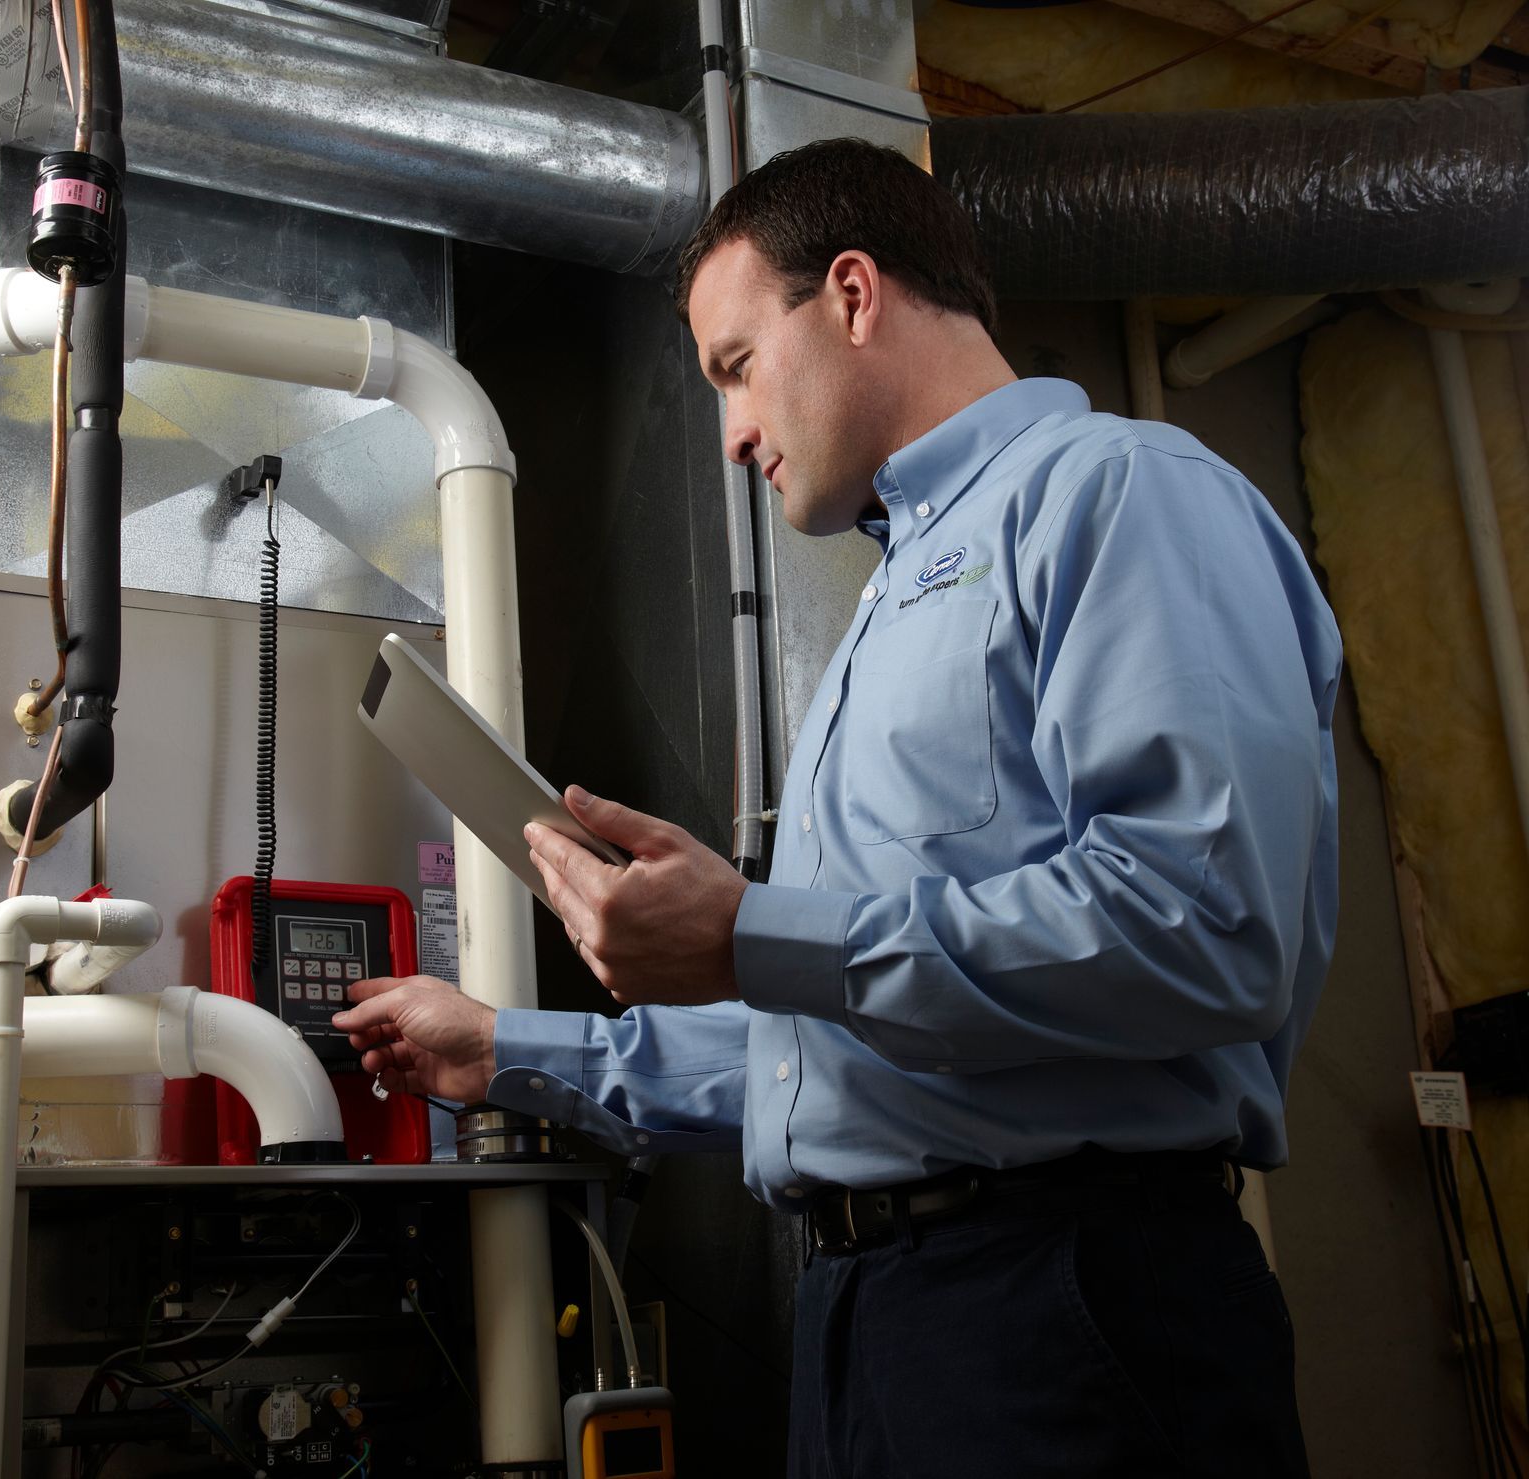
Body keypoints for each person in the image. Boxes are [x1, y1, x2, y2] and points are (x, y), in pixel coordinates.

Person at [333, 136, 1341, 1479]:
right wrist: (508, 1050)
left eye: (737, 369)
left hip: (1066, 1312)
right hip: (876, 1326)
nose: (734, 434)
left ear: (855, 295)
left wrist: (756, 936)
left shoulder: (1118, 494)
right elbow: (844, 1049)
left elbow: (1210, 927)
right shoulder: (893, 603)